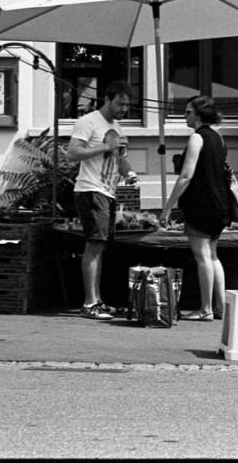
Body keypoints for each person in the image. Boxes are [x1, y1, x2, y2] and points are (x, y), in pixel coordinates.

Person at [160, 95, 230, 322]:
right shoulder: (218, 138)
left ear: (199, 114)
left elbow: (186, 176)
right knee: (213, 256)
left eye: (188, 111)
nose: (185, 115)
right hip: (220, 204)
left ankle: (205, 309)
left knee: (202, 257)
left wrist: (167, 208)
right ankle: (221, 307)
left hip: (200, 204)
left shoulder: (196, 138)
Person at [67, 80, 132, 320]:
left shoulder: (117, 126)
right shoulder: (88, 122)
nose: (123, 109)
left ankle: (98, 301)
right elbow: (72, 154)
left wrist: (130, 173)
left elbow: (120, 159)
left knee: (100, 246)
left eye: (127, 105)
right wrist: (106, 145)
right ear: (107, 99)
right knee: (94, 245)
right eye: (120, 104)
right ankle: (89, 303)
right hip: (90, 189)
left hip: (108, 191)